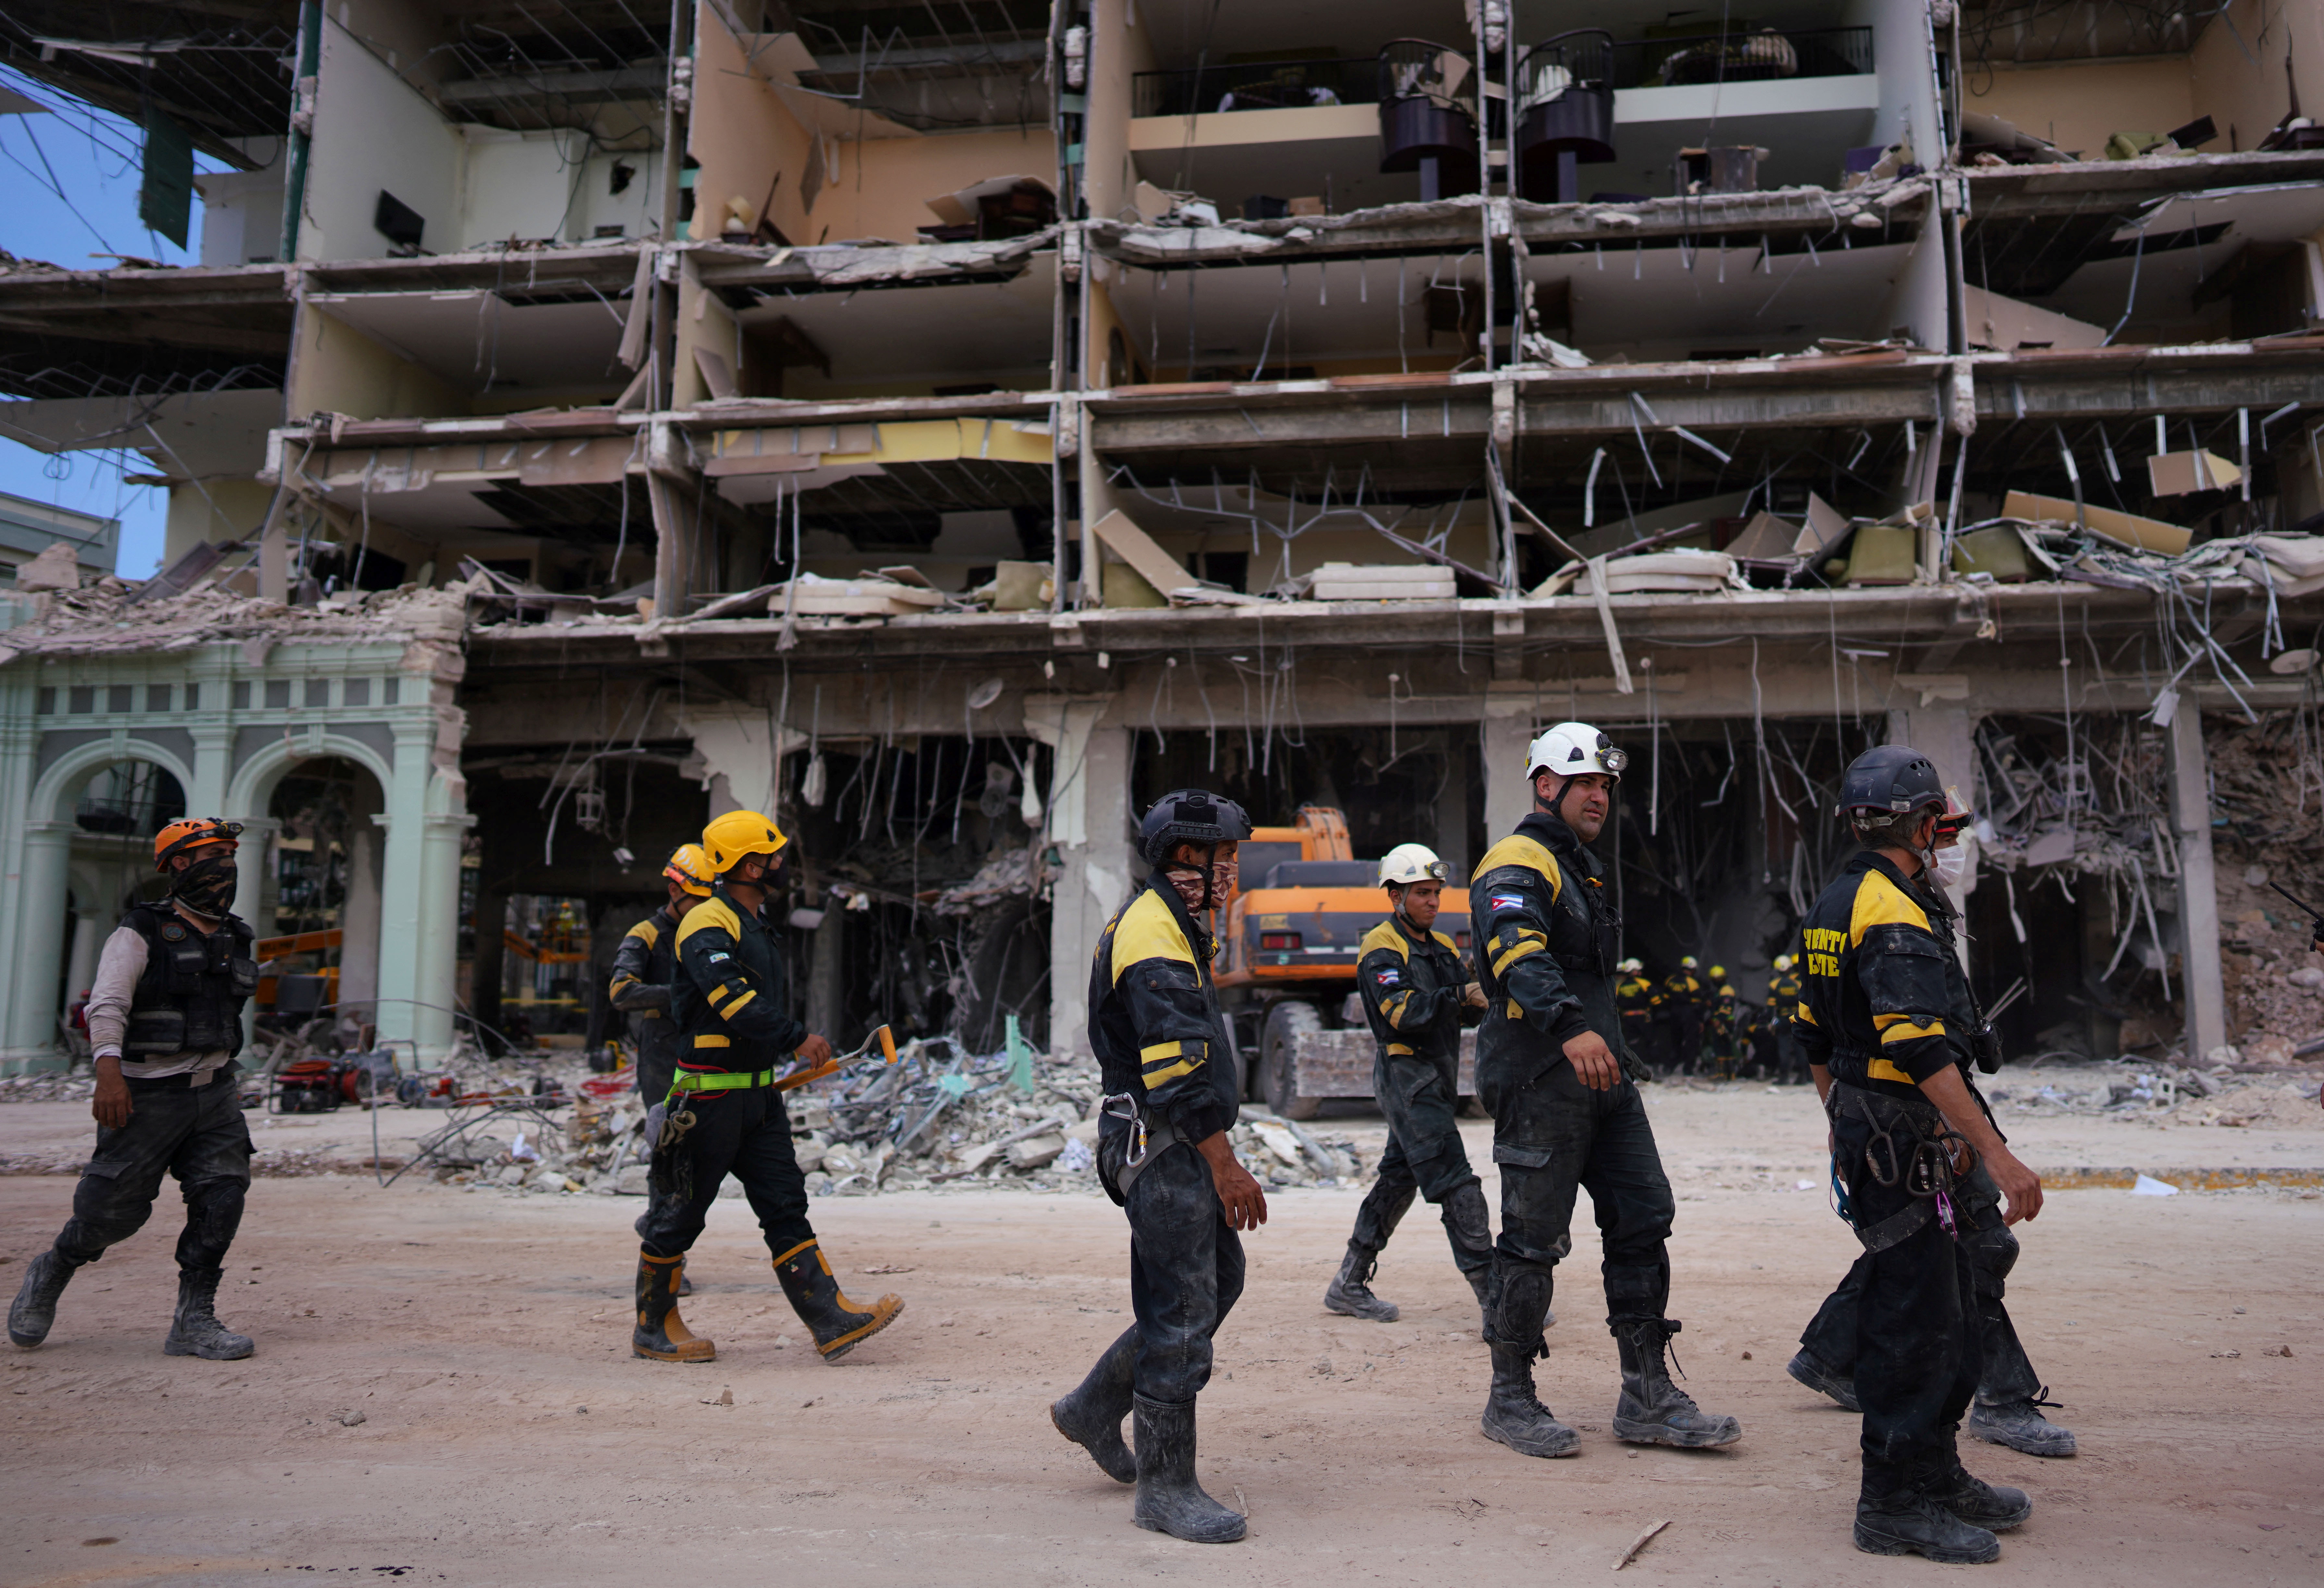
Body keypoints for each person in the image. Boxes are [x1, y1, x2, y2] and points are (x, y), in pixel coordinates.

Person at [1792, 745, 2045, 1562]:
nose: (1945, 835)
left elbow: (1813, 1034)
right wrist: (1996, 1156)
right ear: (1919, 823)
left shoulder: (1838, 898)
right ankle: (1893, 1500)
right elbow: (1917, 1046)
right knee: (1913, 1316)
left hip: (1884, 1122)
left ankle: (1936, 1474)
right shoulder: (1891, 909)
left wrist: (1840, 1118)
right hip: (1905, 1124)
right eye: (1939, 822)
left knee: (1965, 1280)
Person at [1468, 723, 1740, 1459]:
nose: (1600, 795)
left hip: (1600, 1076)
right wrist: (1569, 1026)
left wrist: (1598, 1042)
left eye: (1606, 785)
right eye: (1586, 782)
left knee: (1644, 1214)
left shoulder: (1575, 866)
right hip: (1542, 1075)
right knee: (1531, 1241)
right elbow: (1515, 950)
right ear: (1546, 786)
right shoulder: (1517, 861)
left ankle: (1646, 1393)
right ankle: (1510, 1398)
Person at [1051, 790, 1265, 1544]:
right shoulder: (1152, 935)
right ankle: (1165, 1489)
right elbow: (1175, 1066)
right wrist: (1225, 1164)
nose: (1231, 873)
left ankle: (1089, 1409)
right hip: (1165, 1143)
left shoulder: (1171, 927)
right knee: (1181, 1315)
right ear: (1187, 862)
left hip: (1171, 1141)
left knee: (1216, 1284)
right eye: (1224, 861)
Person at [630, 810, 903, 1365]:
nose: (782, 862)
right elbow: (732, 1002)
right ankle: (653, 1326)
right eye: (775, 855)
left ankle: (830, 1319)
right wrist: (797, 1037)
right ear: (750, 865)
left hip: (756, 1099)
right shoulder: (706, 922)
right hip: (707, 1100)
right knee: (679, 1215)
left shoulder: (751, 922)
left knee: (785, 1205)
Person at [9, 818, 260, 1360]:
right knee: (112, 1212)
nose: (226, 865)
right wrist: (108, 1072)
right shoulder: (140, 929)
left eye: (230, 854)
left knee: (223, 1196)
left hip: (214, 1092)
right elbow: (107, 1003)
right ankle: (56, 1265)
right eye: (213, 854)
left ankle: (193, 1319)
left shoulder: (235, 933)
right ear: (178, 864)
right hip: (147, 1091)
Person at [1323, 842, 1493, 1326]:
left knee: (1398, 1180)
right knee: (1455, 1179)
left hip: (1435, 1076)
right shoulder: (1381, 946)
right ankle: (1495, 1296)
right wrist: (1461, 996)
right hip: (1405, 1078)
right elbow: (1400, 1011)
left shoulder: (1440, 948)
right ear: (1394, 896)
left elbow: (1464, 998)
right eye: (1421, 893)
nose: (1432, 902)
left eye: (1436, 892)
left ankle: (1348, 1283)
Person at [608, 843, 715, 1295]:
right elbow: (621, 990)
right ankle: (665, 1254)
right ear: (674, 888)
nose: (700, 907)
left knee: (701, 1150)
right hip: (660, 1056)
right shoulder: (645, 935)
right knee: (668, 1149)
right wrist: (679, 994)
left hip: (700, 1052)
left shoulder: (707, 929)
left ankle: (657, 1222)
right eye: (694, 897)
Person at [1653, 957, 1707, 1076]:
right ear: (1693, 970)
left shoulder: (1670, 981)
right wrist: (1700, 1021)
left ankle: (1669, 1067)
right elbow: (1698, 1005)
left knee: (1675, 1042)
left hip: (1674, 1013)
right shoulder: (1692, 983)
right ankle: (1688, 1070)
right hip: (1689, 1014)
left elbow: (1665, 1000)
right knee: (1691, 1041)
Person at [1615, 958, 1656, 1073]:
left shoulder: (1620, 987)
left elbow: (1615, 1004)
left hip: (1627, 1018)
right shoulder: (1644, 983)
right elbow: (1657, 1001)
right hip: (1643, 1017)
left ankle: (1635, 1070)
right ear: (1635, 971)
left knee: (1633, 1043)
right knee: (1650, 1041)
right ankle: (1652, 1066)